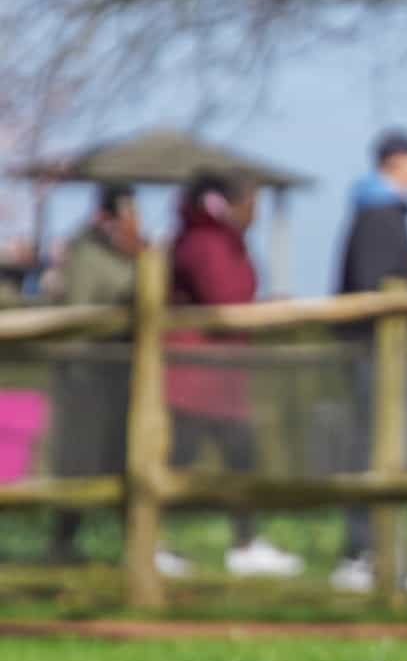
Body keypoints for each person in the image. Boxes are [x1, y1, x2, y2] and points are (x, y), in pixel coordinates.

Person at [164, 171, 303, 579]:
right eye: (251, 203)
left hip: (216, 379)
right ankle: (152, 543)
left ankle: (244, 544)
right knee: (178, 462)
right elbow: (224, 297)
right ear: (228, 204)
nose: (255, 213)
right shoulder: (206, 243)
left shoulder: (219, 242)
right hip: (196, 379)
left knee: (238, 458)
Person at [330, 129, 407, 593]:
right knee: (374, 447)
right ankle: (364, 553)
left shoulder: (383, 211)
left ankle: (379, 552)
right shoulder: (379, 213)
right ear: (394, 163)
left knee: (380, 447)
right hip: (375, 355)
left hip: (380, 355)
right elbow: (376, 285)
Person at [47, 183, 144, 563]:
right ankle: (63, 543)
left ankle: (135, 544)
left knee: (123, 458)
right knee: (80, 462)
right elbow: (81, 309)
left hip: (115, 375)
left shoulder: (122, 253)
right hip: (86, 376)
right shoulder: (87, 253)